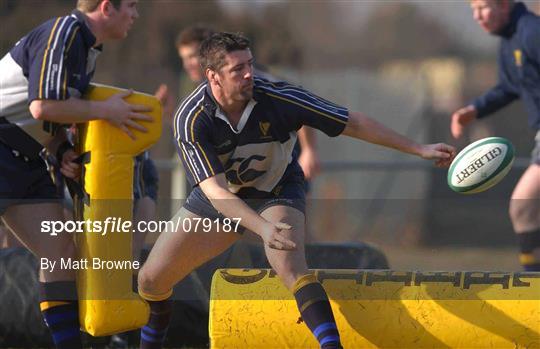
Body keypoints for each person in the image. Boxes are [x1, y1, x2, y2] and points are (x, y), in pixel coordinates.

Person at [137, 32, 455, 349]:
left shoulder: (279, 96)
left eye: (249, 63)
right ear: (213, 77)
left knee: (289, 266)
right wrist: (261, 228)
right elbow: (217, 193)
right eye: (237, 69)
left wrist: (419, 148)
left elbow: (353, 123)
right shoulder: (191, 117)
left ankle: (332, 345)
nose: (249, 73)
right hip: (220, 200)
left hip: (276, 191)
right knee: (150, 280)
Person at [0, 1, 151, 348]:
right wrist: (106, 110)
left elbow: (39, 117)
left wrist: (60, 150)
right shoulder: (65, 32)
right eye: (130, 6)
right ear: (106, 7)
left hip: (24, 158)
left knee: (61, 252)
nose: (136, 14)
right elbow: (42, 105)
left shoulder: (87, 48)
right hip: (4, 148)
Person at [451, 0, 540, 271]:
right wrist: (474, 109)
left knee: (523, 207)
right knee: (525, 211)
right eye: (473, 10)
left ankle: (532, 293)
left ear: (504, 4)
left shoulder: (531, 32)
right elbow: (509, 87)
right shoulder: (510, 41)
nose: (478, 16)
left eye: (483, 8)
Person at [174, 24, 321, 180]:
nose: (187, 65)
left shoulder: (254, 81)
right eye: (184, 59)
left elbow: (299, 104)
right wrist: (171, 115)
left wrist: (308, 150)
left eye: (192, 56)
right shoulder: (202, 95)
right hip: (241, 176)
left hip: (282, 168)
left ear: (210, 53)